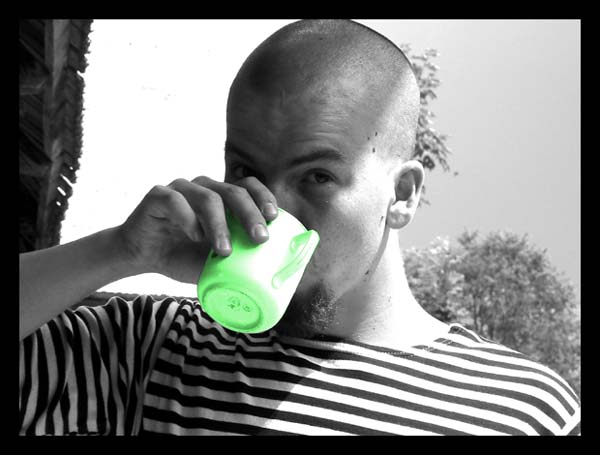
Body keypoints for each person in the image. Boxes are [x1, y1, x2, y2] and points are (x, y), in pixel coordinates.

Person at [19, 19, 580, 436]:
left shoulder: (525, 409)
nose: (269, 212)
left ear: (403, 194)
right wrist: (119, 251)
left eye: (317, 176)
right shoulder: (157, 343)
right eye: (245, 171)